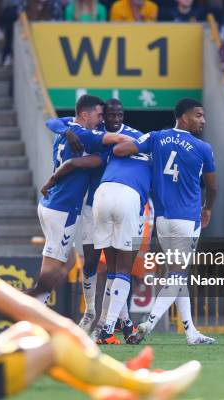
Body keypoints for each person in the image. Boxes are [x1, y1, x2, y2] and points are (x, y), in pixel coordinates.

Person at [0, 213, 202, 400]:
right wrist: (67, 327)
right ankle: (146, 387)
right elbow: (20, 305)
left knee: (25, 333)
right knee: (56, 344)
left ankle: (106, 388)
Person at [113, 99, 217, 346]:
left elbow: (122, 150)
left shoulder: (156, 137)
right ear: (183, 117)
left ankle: (191, 332)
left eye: (203, 116)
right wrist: (208, 208)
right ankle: (148, 323)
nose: (203, 120)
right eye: (198, 115)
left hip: (163, 220)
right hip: (187, 218)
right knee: (178, 276)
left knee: (176, 276)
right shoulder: (203, 148)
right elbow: (213, 187)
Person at [42, 99, 146, 344]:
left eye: (112, 114)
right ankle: (93, 315)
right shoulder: (92, 135)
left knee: (104, 263)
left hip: (99, 204)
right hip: (84, 205)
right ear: (92, 115)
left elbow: (56, 124)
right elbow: (54, 122)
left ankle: (102, 319)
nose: (107, 119)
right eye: (104, 115)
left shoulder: (94, 131)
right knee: (81, 261)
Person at [29, 95, 131, 306]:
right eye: (99, 115)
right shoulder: (86, 135)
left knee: (66, 263)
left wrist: (66, 131)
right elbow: (116, 140)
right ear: (85, 115)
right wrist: (138, 141)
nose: (102, 119)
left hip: (51, 204)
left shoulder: (69, 127)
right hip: (63, 209)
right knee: (53, 266)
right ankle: (32, 311)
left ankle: (31, 302)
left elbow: (52, 122)